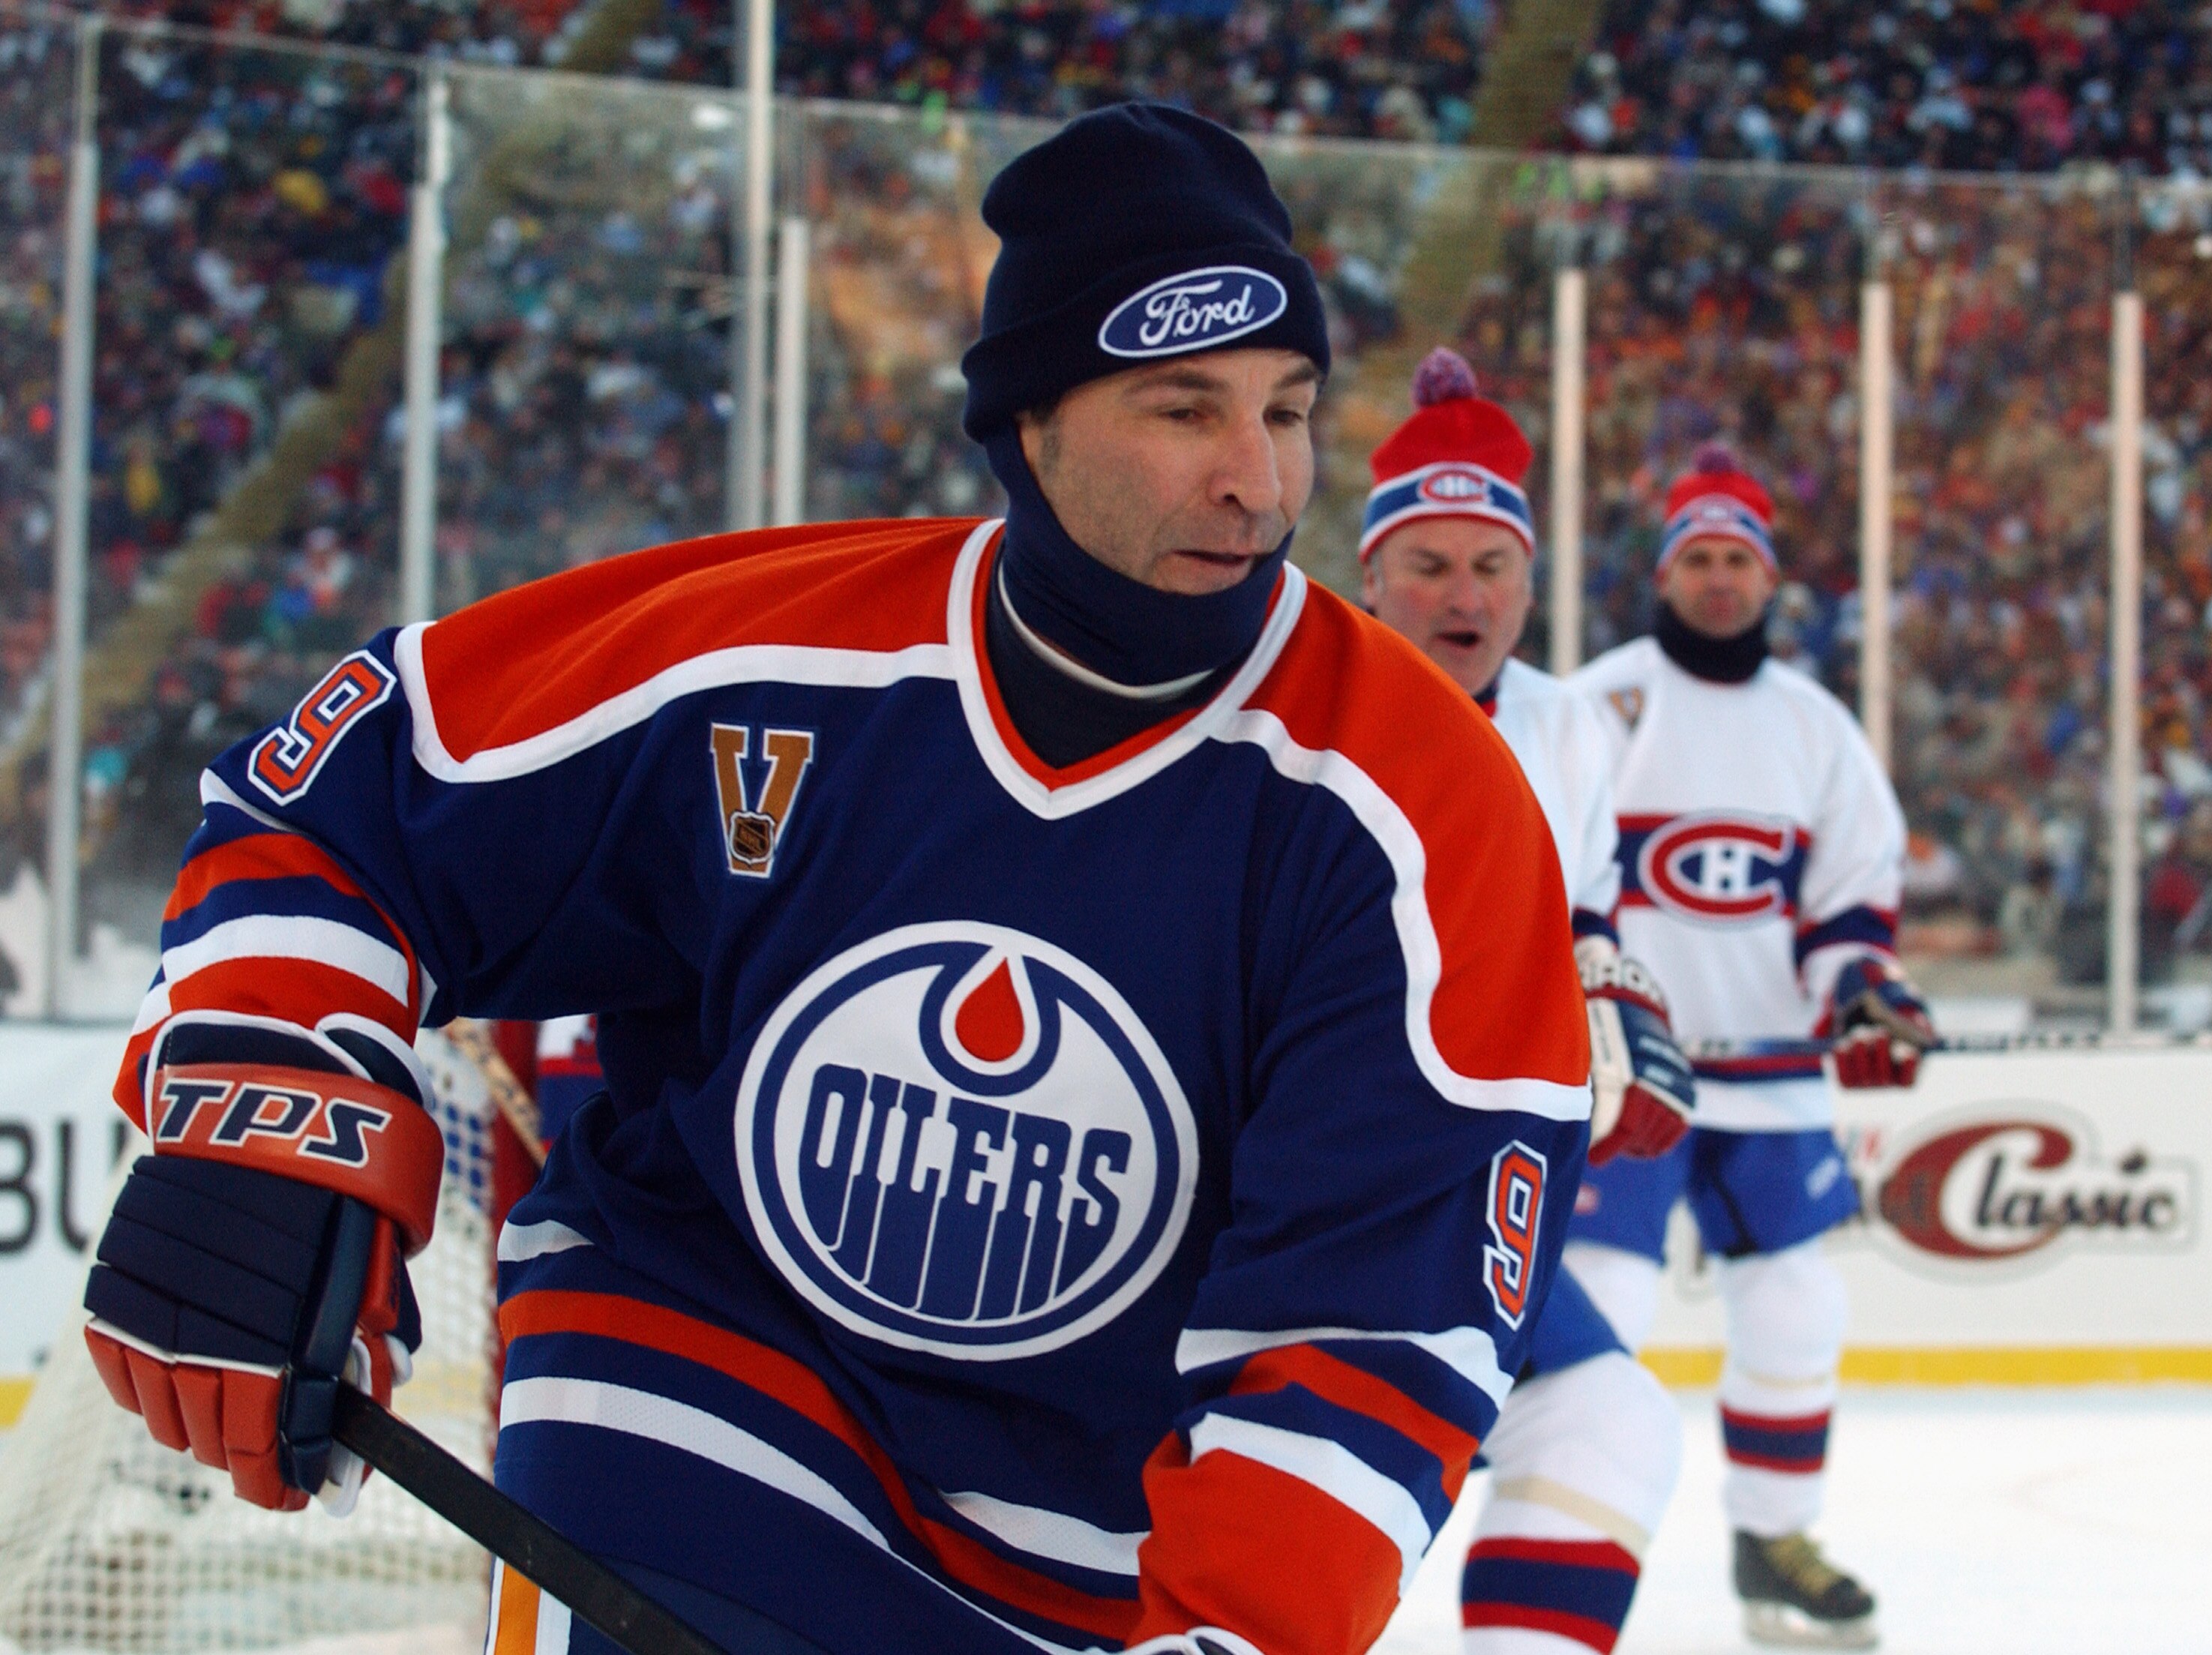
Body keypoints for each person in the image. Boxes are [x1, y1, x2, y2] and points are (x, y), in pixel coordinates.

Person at [78, 106, 1593, 1655]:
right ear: (1030, 424)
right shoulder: (764, 655)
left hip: (1078, 1564)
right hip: (686, 1416)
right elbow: (339, 797)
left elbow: (1375, 1319)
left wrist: (1242, 1632)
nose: (1261, 486)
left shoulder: (1419, 810)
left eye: (1288, 410)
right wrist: (268, 1089)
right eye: (1184, 412)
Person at [1566, 446, 1935, 1651]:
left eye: (1738, 560)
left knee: (1795, 1312)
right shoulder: (1599, 705)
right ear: (1665, 572)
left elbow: (1845, 918)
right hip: (1628, 1075)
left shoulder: (1815, 729)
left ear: (1767, 580)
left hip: (1772, 1082)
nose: (1718, 579)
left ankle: (1773, 1540)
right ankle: (1562, 1542)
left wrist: (1865, 996)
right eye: (1698, 558)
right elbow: (1559, 881)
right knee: (1602, 1306)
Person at [1360, 349, 1696, 1655]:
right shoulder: (1286, 701)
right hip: (1276, 1185)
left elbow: (1583, 914)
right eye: (1431, 564)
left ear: (1528, 585)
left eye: (1491, 565)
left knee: (1608, 1422)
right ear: (1369, 574)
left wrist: (1611, 990)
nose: (1464, 593)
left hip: (1453, 1177)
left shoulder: (1563, 725)